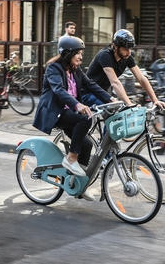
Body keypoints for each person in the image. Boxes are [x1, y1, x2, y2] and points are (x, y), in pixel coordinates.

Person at [32, 36, 113, 201]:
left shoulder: (76, 70)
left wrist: (110, 99)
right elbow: (59, 90)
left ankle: (79, 186)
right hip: (55, 113)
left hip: (69, 114)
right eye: (78, 53)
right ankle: (71, 158)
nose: (81, 57)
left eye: (81, 54)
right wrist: (78, 106)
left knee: (87, 145)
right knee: (85, 118)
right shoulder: (53, 68)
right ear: (68, 53)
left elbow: (91, 85)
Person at [82, 29, 165, 112]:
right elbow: (115, 82)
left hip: (103, 95)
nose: (129, 52)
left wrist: (155, 100)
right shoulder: (105, 55)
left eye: (130, 49)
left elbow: (141, 78)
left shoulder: (127, 58)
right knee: (114, 113)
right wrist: (129, 104)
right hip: (87, 94)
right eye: (126, 49)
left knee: (117, 116)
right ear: (115, 47)